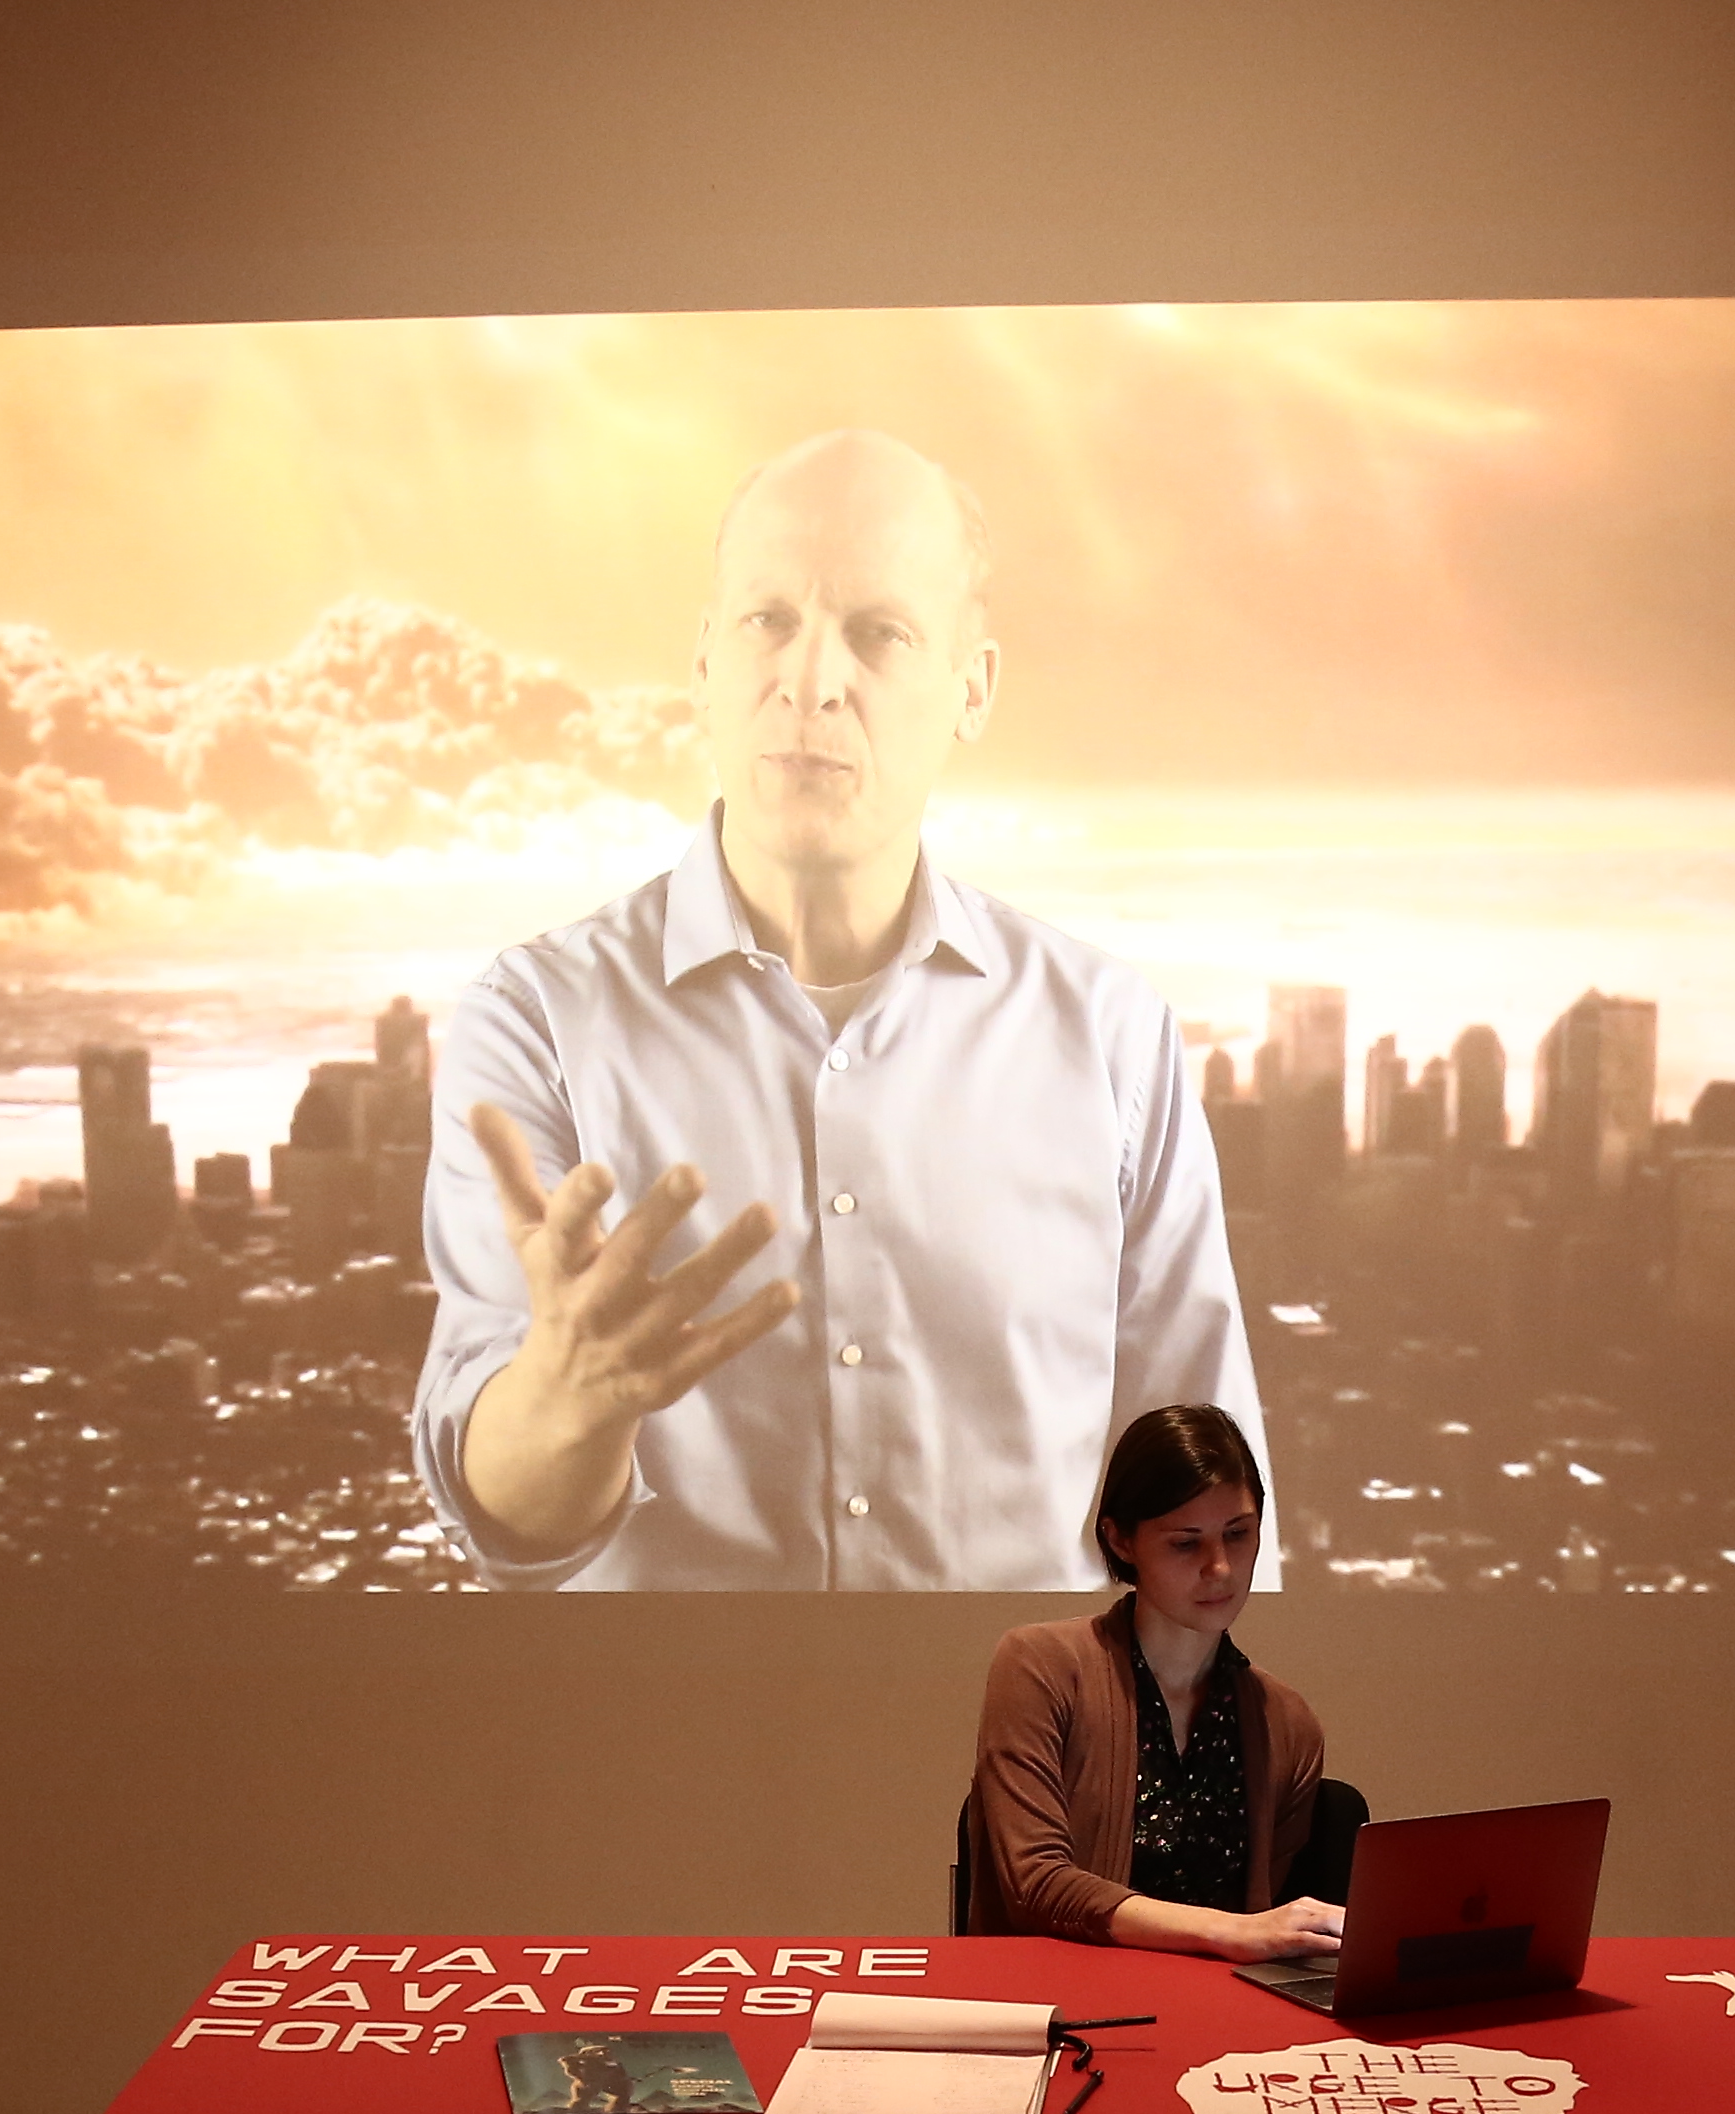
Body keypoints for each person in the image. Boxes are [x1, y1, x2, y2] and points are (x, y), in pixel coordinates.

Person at [412, 427, 1268, 1591]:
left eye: (880, 633)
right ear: (705, 661)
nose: (811, 680)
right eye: (768, 619)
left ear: (972, 689)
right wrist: (566, 1405)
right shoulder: (538, 1022)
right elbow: (507, 1516)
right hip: (668, 1761)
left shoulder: (1109, 1037)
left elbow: (1207, 1521)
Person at [969, 1403, 1347, 1960]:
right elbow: (1036, 1884)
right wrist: (1233, 1931)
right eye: (1186, 1542)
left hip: (1220, 2016)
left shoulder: (1286, 1722)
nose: (1219, 1567)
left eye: (1238, 1534)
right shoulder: (1040, 1665)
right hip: (1060, 2008)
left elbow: (1268, 1919)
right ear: (1122, 1541)